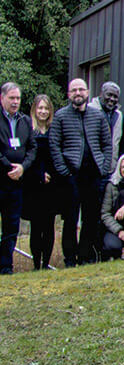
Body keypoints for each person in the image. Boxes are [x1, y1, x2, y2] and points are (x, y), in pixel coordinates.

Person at [49, 78, 112, 265]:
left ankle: (85, 255)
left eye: (81, 90)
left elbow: (107, 144)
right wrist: (64, 171)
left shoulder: (97, 116)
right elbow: (55, 146)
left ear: (87, 92)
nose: (78, 93)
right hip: (70, 175)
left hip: (93, 175)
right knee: (70, 218)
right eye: (74, 90)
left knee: (91, 217)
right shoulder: (60, 116)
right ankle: (69, 257)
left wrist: (104, 165)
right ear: (69, 94)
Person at [0, 83, 36, 274]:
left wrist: (23, 167)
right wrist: (8, 166)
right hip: (1, 178)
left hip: (16, 183)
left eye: (18, 98)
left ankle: (6, 267)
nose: (15, 102)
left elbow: (32, 148)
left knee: (11, 226)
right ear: (2, 98)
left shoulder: (25, 121)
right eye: (11, 98)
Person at [25, 94, 58, 270]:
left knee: (49, 225)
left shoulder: (54, 129)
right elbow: (27, 156)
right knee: (36, 226)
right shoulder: (28, 129)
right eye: (40, 108)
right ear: (34, 110)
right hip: (34, 185)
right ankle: (36, 264)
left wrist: (51, 174)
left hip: (52, 186)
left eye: (46, 108)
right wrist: (38, 174)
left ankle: (46, 263)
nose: (43, 111)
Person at [95, 81, 123, 172]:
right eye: (109, 95)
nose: (112, 99)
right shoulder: (90, 110)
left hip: (111, 168)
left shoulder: (118, 115)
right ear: (101, 94)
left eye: (115, 97)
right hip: (92, 168)